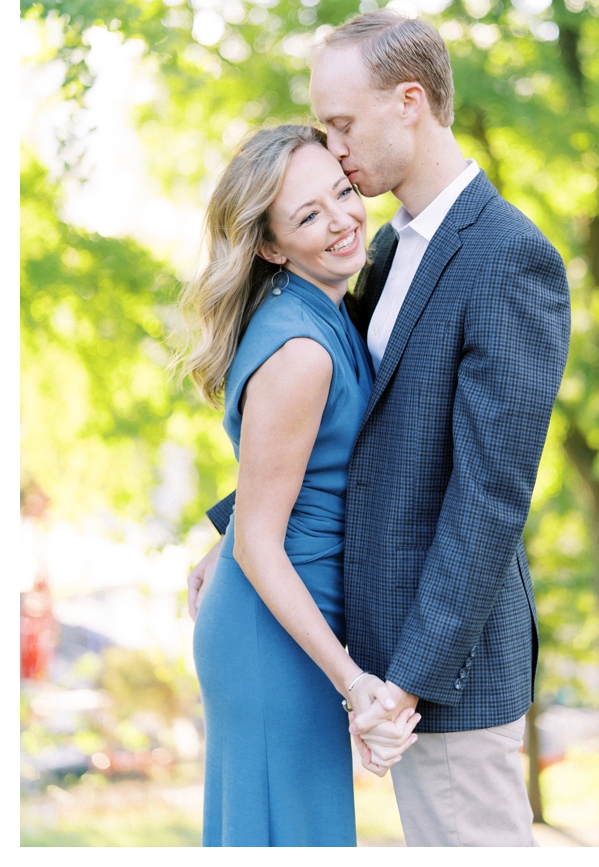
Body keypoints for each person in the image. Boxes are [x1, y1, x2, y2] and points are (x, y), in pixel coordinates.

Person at [189, 11, 571, 846]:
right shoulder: (391, 250)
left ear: (409, 101)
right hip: (363, 649)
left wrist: (403, 685)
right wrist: (237, 537)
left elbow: (488, 499)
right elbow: (355, 435)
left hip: (446, 669)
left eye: (342, 123)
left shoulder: (508, 257)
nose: (334, 146)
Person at [184, 124, 421, 846]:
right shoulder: (300, 349)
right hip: (273, 637)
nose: (344, 219)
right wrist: (356, 685)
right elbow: (260, 541)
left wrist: (223, 547)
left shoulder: (329, 306)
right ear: (271, 246)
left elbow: (290, 480)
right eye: (308, 215)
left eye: (342, 192)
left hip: (294, 620)